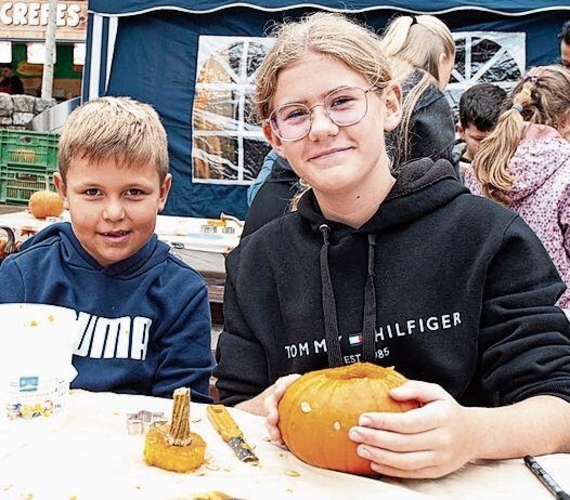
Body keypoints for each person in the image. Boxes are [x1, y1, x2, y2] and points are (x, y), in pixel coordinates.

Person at [214, 12, 570, 479]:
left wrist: (471, 432)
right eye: (296, 114)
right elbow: (234, 406)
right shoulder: (257, 263)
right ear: (274, 137)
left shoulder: (487, 236)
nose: (320, 127)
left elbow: (559, 405)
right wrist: (266, 408)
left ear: (390, 104)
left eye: (342, 102)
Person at [0, 96, 215, 402]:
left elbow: (183, 408)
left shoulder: (182, 293)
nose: (113, 213)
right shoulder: (23, 276)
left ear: (162, 192)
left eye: (134, 192)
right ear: (62, 192)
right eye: (92, 192)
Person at [465, 65, 570, 309]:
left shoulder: (480, 167)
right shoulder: (566, 168)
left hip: (497, 314)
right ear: (566, 118)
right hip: (559, 319)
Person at [379, 14, 457, 171]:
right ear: (442, 60)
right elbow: (440, 175)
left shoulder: (375, 83)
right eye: (452, 66)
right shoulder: (428, 97)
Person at [454, 83, 507, 177]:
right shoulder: (451, 174)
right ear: (461, 131)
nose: (488, 147)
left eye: (496, 139)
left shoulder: (520, 167)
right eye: (479, 140)